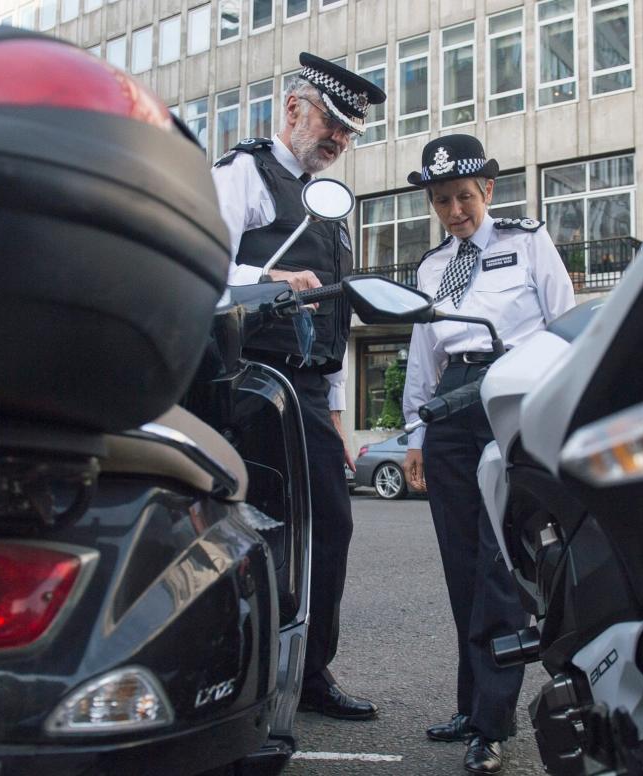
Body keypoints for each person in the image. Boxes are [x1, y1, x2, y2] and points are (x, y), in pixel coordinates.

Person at [210, 52, 385, 721]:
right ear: (293, 109)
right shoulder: (244, 172)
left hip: (307, 391)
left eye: (349, 131)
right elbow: (202, 262)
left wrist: (339, 416)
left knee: (327, 529)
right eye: (331, 122)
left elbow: (333, 321)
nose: (338, 139)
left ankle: (309, 673)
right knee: (248, 531)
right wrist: (271, 280)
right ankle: (237, 670)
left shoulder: (326, 207)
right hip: (249, 380)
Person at [401, 135, 575, 773]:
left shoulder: (527, 242)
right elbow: (424, 360)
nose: (454, 211)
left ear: (489, 193)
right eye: (442, 200)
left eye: (464, 197)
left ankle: (492, 725)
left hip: (511, 398)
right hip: (450, 408)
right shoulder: (429, 267)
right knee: (461, 567)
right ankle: (470, 705)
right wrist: (416, 437)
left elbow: (563, 327)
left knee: (499, 573)